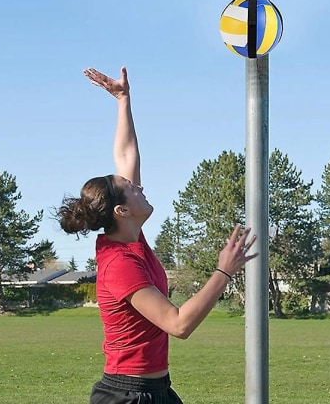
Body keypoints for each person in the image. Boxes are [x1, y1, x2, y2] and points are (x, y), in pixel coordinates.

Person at [56, 66, 257, 404]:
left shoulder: (132, 240)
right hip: (127, 395)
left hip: (156, 391)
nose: (139, 186)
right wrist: (224, 271)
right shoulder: (119, 264)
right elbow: (178, 325)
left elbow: (126, 156)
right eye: (131, 189)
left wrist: (123, 100)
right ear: (121, 210)